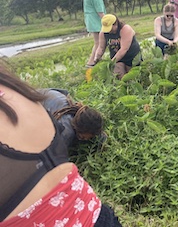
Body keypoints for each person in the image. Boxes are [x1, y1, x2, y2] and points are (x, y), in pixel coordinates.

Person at [0, 64, 121, 226]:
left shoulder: (82, 115)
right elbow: (57, 164)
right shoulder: (66, 128)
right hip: (97, 215)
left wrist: (102, 144)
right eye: (86, 137)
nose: (87, 139)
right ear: (80, 130)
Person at [39, 88, 104, 149]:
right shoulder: (66, 131)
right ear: (80, 128)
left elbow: (101, 137)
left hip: (50, 93)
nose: (87, 139)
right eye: (84, 137)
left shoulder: (78, 114)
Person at [94, 14, 142, 80]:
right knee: (119, 76)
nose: (109, 31)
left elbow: (124, 49)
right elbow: (101, 47)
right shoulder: (103, 33)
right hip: (117, 59)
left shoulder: (125, 29)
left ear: (115, 24)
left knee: (133, 79)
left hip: (132, 58)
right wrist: (97, 58)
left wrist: (111, 62)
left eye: (110, 28)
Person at [83, 0, 107, 67]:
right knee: (99, 43)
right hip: (96, 20)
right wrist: (108, 22)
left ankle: (94, 60)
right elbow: (100, 11)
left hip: (90, 19)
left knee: (98, 42)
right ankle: (93, 61)